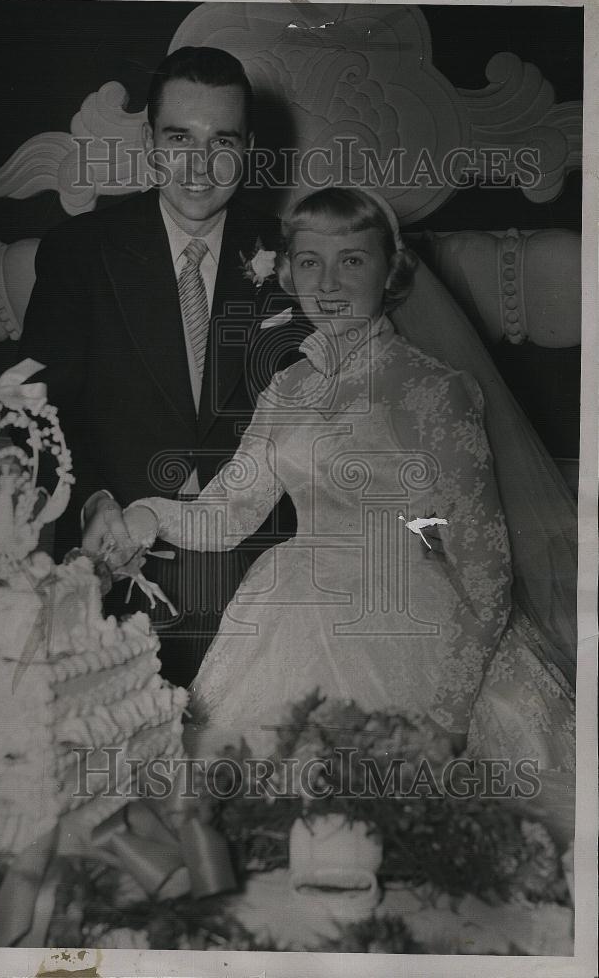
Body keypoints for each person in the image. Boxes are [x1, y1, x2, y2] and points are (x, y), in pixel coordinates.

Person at [120, 187, 576, 769]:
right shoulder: (286, 388)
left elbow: (485, 572)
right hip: (289, 612)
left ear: (391, 271)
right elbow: (229, 512)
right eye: (310, 262)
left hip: (410, 621)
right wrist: (148, 513)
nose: (328, 283)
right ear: (287, 271)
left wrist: (448, 720)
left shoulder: (434, 389)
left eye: (352, 260)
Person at [18, 46, 299, 686]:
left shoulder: (292, 255)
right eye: (179, 139)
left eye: (222, 141)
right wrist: (93, 502)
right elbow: (36, 414)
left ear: (249, 147)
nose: (199, 167)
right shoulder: (80, 251)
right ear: (150, 142)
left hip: (261, 565)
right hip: (116, 555)